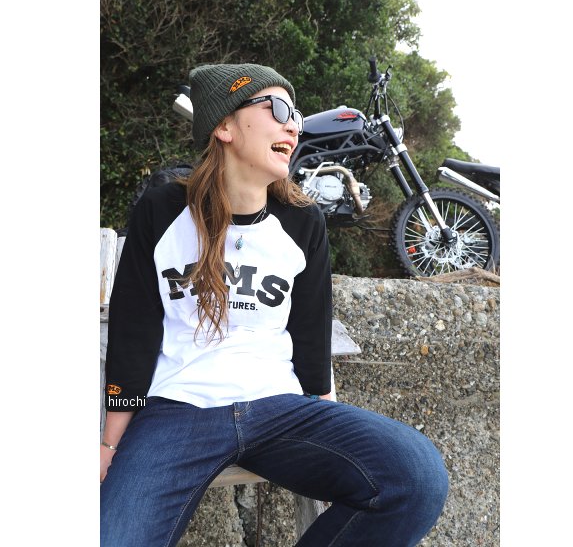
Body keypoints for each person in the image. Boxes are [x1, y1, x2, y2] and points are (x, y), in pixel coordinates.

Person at [100, 63, 448, 547]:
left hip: (279, 410)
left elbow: (310, 336)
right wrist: (108, 443)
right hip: (178, 410)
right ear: (224, 126)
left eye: (296, 116)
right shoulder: (162, 211)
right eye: (279, 109)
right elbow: (134, 331)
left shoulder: (303, 221)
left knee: (416, 476)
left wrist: (330, 419)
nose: (294, 126)